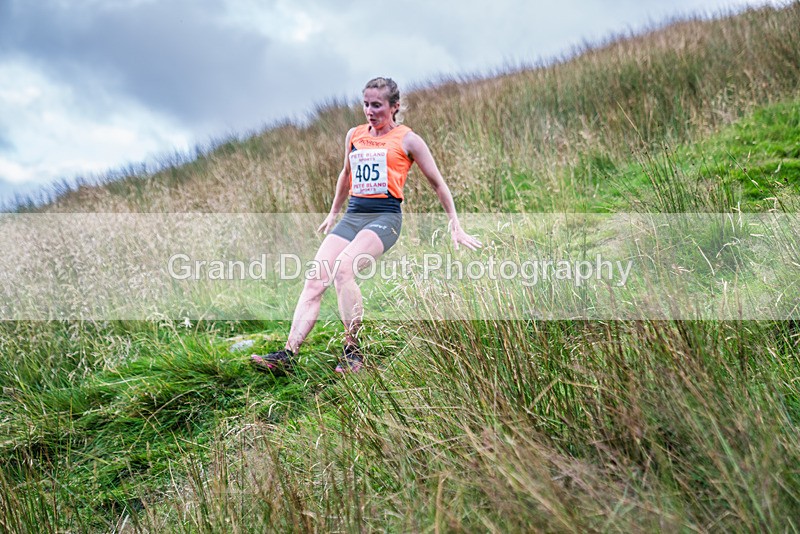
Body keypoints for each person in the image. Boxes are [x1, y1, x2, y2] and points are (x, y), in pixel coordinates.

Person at [251, 77, 481, 374]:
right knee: (315, 278)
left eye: (377, 105)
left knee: (344, 270)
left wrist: (456, 225)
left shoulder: (408, 139)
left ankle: (353, 351)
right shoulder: (355, 135)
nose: (370, 111)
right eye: (366, 104)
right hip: (353, 215)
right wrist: (333, 212)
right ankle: (287, 356)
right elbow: (345, 175)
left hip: (385, 217)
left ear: (394, 107)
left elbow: (438, 183)